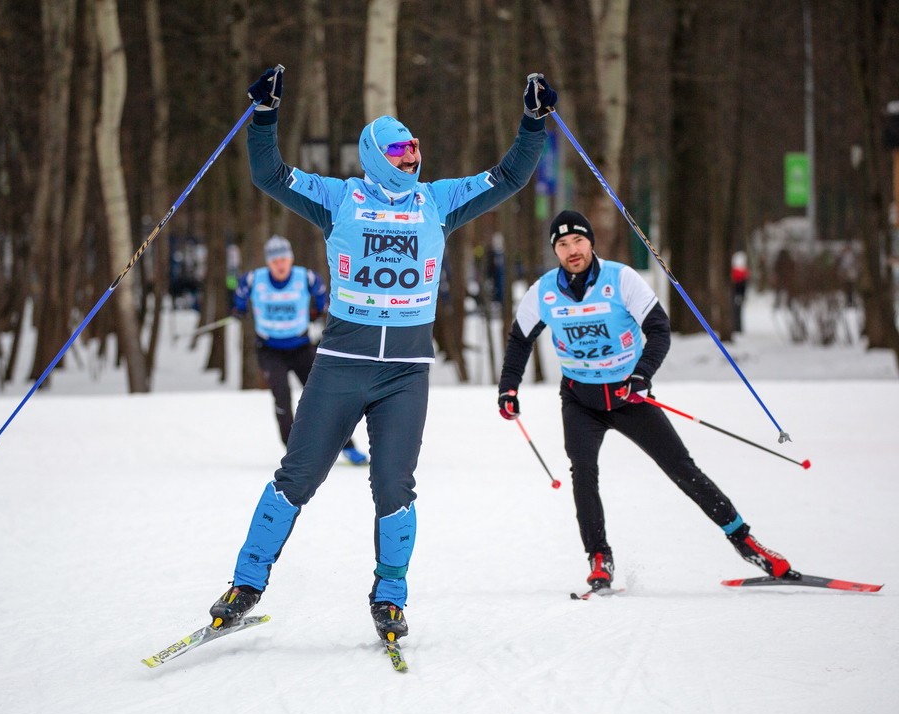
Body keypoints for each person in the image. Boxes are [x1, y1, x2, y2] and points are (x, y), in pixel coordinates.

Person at [209, 65, 557, 641]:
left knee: (395, 485)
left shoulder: (437, 201)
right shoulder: (339, 198)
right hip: (342, 366)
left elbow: (509, 177)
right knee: (297, 478)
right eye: (399, 146)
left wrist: (533, 122)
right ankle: (245, 585)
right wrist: (264, 117)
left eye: (415, 144)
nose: (411, 153)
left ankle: (390, 596)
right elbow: (268, 174)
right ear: (374, 153)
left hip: (405, 374)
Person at [497, 210, 792, 594]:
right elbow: (520, 339)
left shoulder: (621, 279)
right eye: (563, 244)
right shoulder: (544, 292)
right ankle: (599, 558)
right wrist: (508, 387)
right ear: (556, 250)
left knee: (681, 468)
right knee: (582, 473)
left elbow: (658, 330)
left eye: (578, 241)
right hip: (580, 400)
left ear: (591, 242)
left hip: (628, 396)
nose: (572, 250)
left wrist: (641, 375)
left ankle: (745, 541)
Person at [233, 234, 368, 465]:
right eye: (275, 261)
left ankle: (347, 447)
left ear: (290, 259)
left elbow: (322, 298)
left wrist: (318, 310)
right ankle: (293, 451)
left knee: (323, 397)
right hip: (269, 349)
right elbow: (239, 298)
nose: (280, 265)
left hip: (301, 347)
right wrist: (239, 309)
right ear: (268, 262)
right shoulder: (254, 280)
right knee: (282, 397)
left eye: (284, 259)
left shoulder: (305, 278)